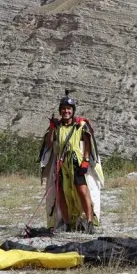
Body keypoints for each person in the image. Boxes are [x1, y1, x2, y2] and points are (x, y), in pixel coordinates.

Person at [40, 91, 104, 234]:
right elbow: (49, 144)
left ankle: (88, 221)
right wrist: (51, 128)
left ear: (72, 111)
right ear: (60, 111)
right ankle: (67, 222)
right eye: (63, 109)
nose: (66, 111)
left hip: (76, 162)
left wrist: (86, 161)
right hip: (60, 164)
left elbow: (88, 143)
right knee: (61, 192)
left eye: (69, 109)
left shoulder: (80, 125)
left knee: (82, 191)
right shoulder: (56, 127)